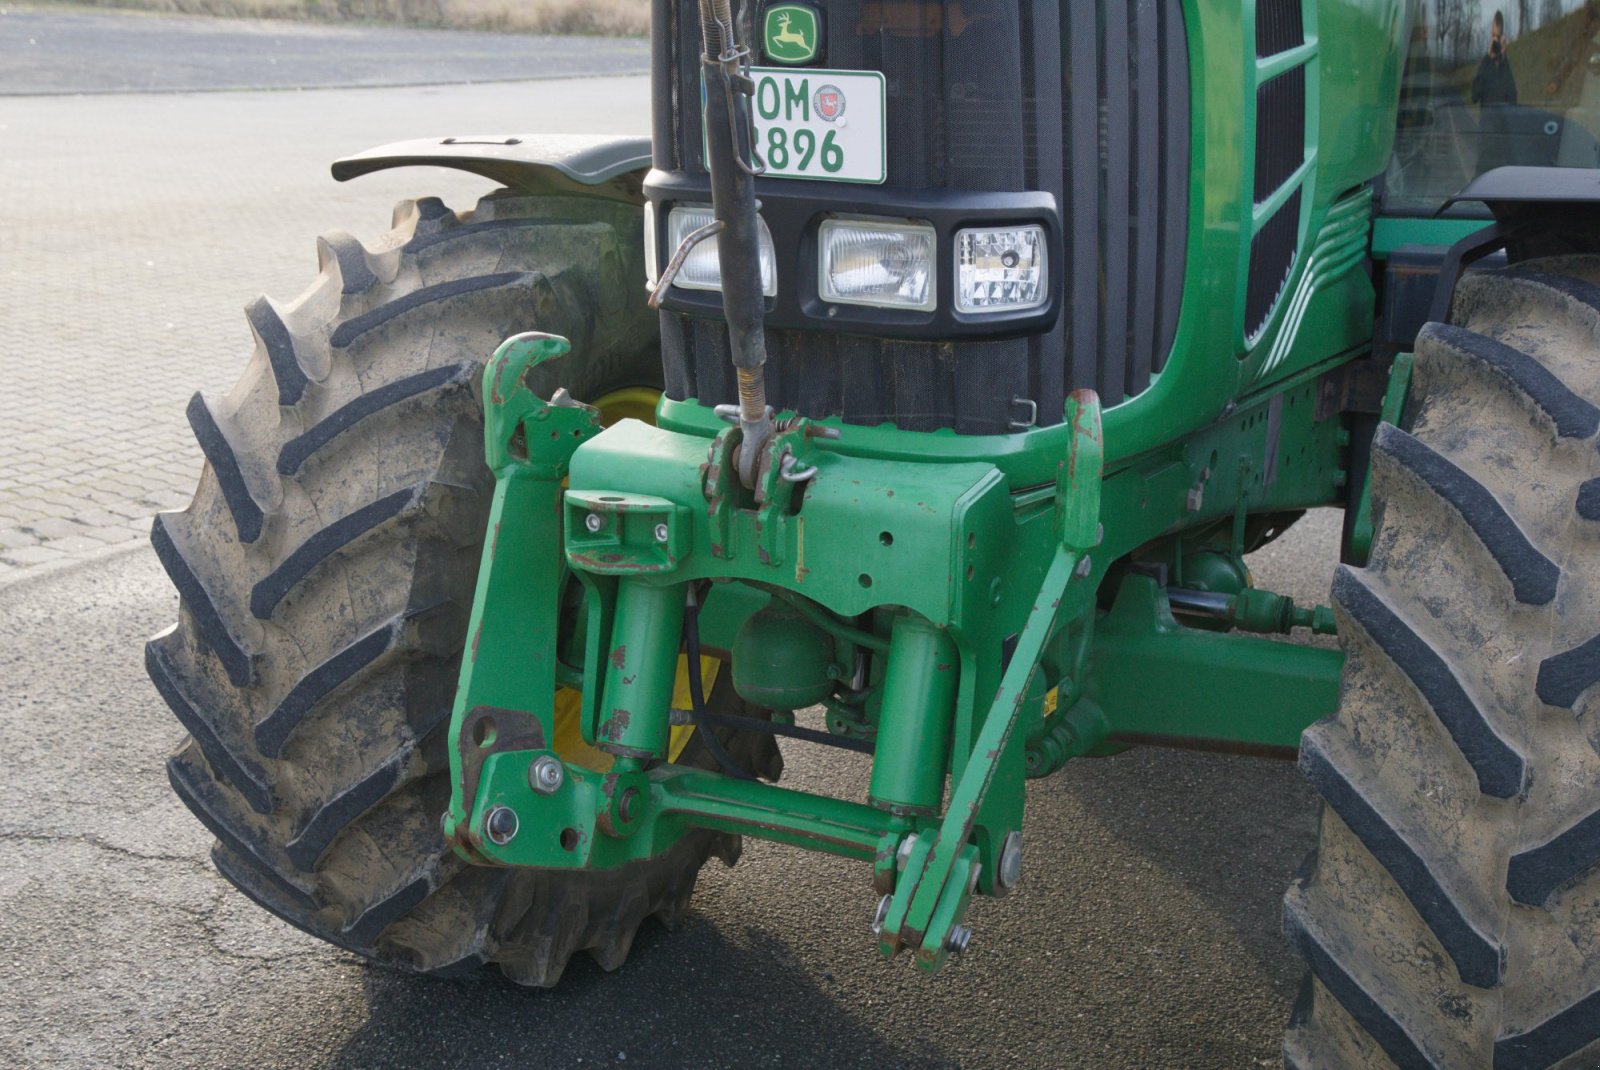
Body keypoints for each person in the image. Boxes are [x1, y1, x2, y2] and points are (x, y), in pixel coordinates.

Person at [1472, 10, 1519, 172]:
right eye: (1494, 36)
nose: (1496, 42)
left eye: (1498, 37)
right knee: (1481, 176)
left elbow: (1513, 98)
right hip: (1486, 138)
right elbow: (1474, 95)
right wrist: (1487, 57)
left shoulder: (1506, 68)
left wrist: (1504, 59)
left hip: (1504, 139)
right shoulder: (1485, 67)